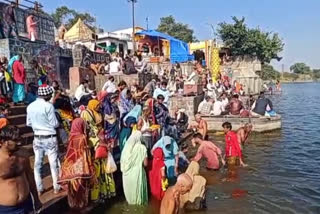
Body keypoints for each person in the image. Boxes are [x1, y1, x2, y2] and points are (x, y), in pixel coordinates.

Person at [26, 85, 60, 195]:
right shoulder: (48, 106)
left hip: (37, 138)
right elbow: (54, 124)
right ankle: (56, 187)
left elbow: (28, 123)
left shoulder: (30, 106)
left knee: (37, 164)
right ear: (48, 95)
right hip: (49, 138)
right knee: (53, 163)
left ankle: (39, 189)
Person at [0, 126, 42, 213]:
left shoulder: (23, 155)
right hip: (7, 210)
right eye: (15, 140)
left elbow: (30, 177)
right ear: (3, 142)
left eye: (19, 139)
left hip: (26, 204)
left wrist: (36, 199)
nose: (19, 142)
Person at [81, 99, 116, 202]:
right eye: (96, 106)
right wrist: (98, 139)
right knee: (96, 170)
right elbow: (87, 129)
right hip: (94, 144)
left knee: (104, 170)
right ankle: (96, 196)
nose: (98, 107)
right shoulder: (85, 113)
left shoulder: (98, 113)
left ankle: (105, 193)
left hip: (102, 141)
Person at [58, 118, 94, 209]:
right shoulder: (82, 137)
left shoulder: (71, 136)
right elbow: (85, 152)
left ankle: (73, 205)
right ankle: (82, 205)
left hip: (71, 166)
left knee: (73, 188)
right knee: (81, 188)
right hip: (81, 166)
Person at [121, 131, 148, 205]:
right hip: (138, 173)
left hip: (127, 176)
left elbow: (123, 162)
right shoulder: (142, 148)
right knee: (138, 194)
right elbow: (145, 164)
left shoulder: (126, 149)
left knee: (130, 192)